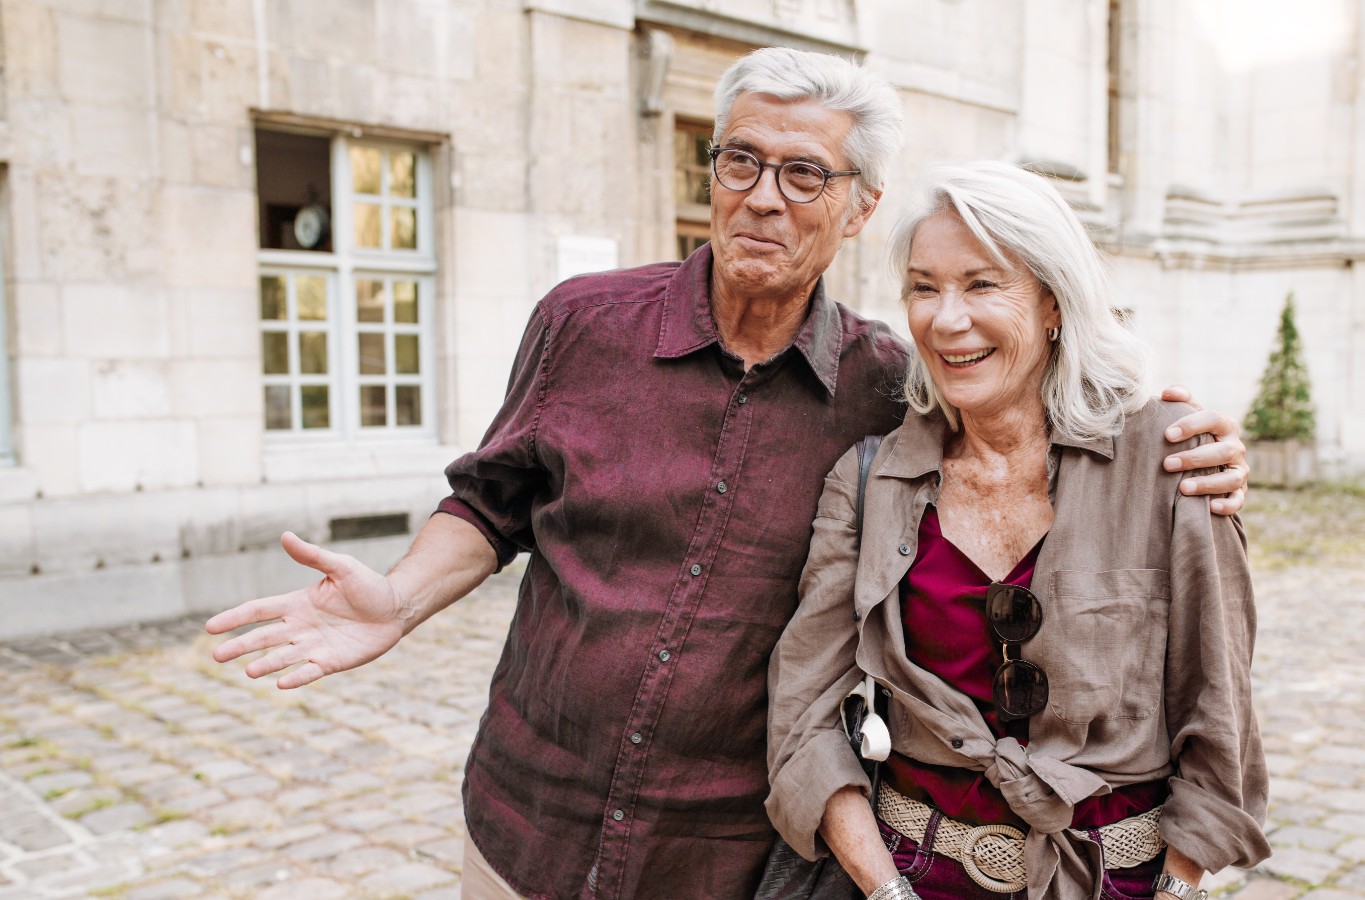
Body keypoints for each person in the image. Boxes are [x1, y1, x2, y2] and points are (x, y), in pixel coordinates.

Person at [206, 50, 1253, 900]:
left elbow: (1017, 384)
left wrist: (1178, 428)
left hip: (727, 854)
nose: (764, 198)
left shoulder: (887, 386)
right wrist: (396, 596)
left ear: (856, 209)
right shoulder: (584, 321)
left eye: (805, 175)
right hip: (530, 817)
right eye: (739, 161)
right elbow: (491, 501)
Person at [765, 161, 1270, 900]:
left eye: (981, 283)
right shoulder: (869, 481)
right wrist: (886, 893)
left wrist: (1176, 887)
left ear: (1053, 303)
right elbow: (803, 719)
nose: (946, 318)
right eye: (924, 287)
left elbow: (1219, 716)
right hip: (912, 882)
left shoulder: (1170, 463)